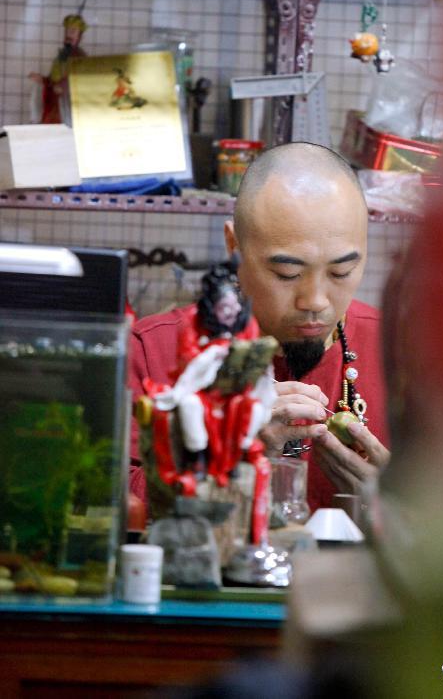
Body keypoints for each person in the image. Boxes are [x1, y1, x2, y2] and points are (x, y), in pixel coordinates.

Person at [129, 142, 390, 513]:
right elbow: (108, 500)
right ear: (234, 247)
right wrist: (225, 459)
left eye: (341, 272)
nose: (315, 300)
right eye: (288, 274)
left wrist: (404, 507)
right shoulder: (154, 350)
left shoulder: (403, 353)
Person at [28, 13, 87, 125]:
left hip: (68, 105)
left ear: (79, 36)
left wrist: (63, 86)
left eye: (73, 32)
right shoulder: (61, 56)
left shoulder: (79, 56)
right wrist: (43, 79)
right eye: (67, 31)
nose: (69, 35)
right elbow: (53, 80)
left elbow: (80, 80)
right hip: (55, 103)